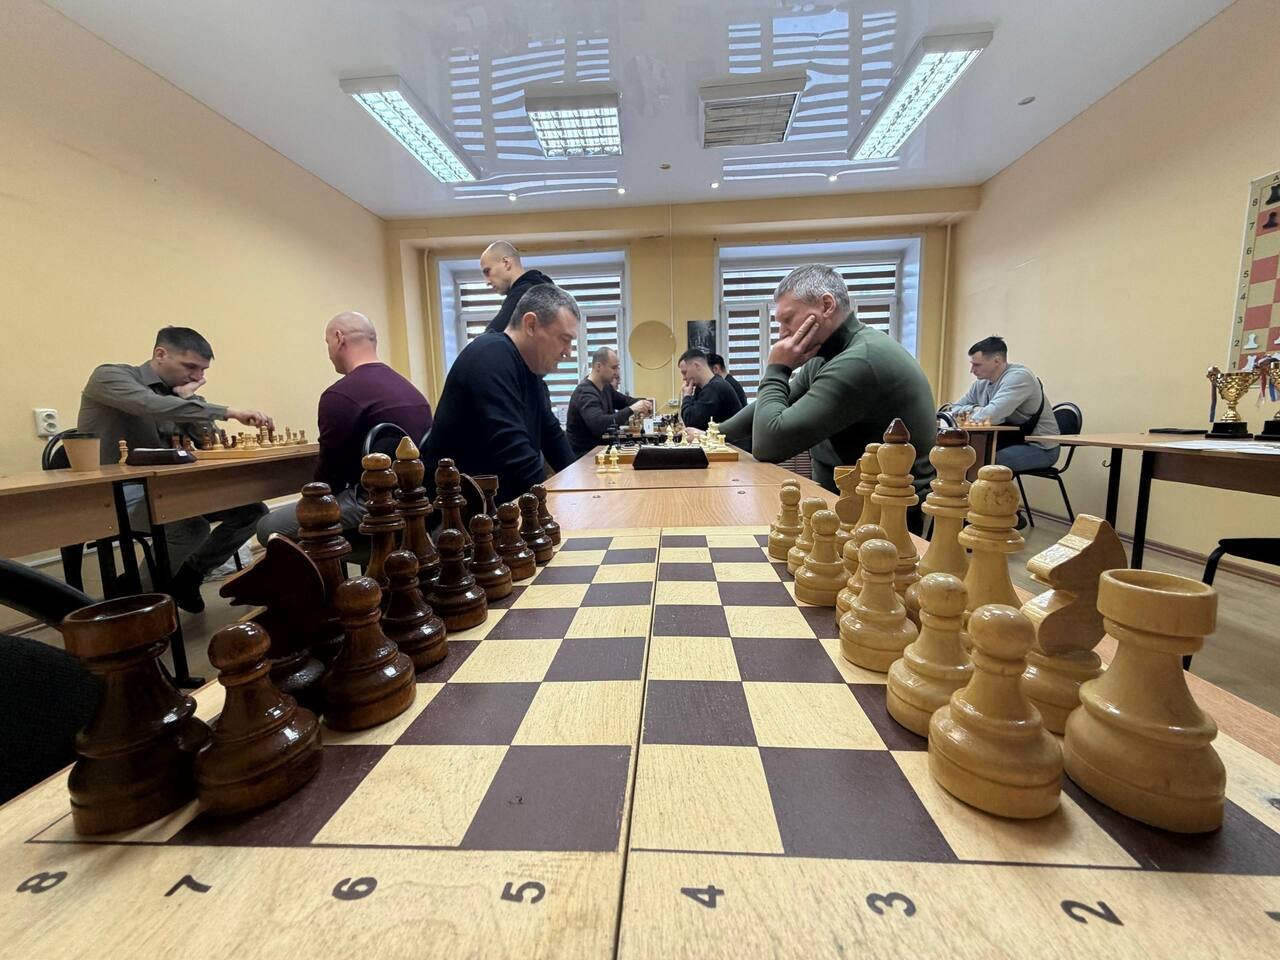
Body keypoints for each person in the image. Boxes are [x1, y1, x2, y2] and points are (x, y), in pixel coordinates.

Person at [714, 264, 937, 531]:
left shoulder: (861, 361)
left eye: (788, 319)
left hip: (891, 520)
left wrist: (777, 369)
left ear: (827, 305)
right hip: (846, 505)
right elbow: (773, 404)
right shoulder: (827, 356)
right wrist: (711, 435)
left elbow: (769, 444)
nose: (782, 333)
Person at [76, 327, 274, 612]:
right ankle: (139, 596)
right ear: (160, 354)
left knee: (252, 512)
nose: (197, 377)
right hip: (117, 493)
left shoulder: (178, 397)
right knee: (190, 527)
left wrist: (188, 400)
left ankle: (188, 575)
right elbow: (150, 405)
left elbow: (211, 441)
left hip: (171, 489)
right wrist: (227, 412)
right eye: (190, 367)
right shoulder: (110, 376)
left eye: (202, 370)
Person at [256, 312, 433, 545]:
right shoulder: (410, 390)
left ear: (339, 339)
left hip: (375, 502)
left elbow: (328, 480)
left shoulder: (340, 395)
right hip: (420, 500)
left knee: (267, 527)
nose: (329, 352)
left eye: (327, 342)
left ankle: (333, 567)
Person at [425, 284, 578, 504]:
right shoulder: (490, 356)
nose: (568, 352)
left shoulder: (529, 371)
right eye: (564, 339)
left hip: (497, 507)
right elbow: (514, 451)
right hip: (459, 514)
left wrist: (581, 489)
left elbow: (552, 435)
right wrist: (548, 507)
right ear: (531, 324)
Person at [950, 335, 1060, 473]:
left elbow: (989, 417)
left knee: (985, 463)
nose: (972, 370)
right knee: (959, 456)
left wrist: (978, 412)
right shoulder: (981, 383)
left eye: (977, 365)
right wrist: (977, 408)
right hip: (1008, 441)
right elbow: (954, 410)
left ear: (997, 361)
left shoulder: (1019, 377)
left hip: (1040, 447)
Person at [565, 346, 652, 457]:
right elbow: (600, 425)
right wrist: (632, 409)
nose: (617, 373)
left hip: (601, 451)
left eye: (617, 367)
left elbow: (625, 401)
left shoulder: (605, 388)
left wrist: (644, 403)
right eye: (614, 368)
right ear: (598, 366)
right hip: (585, 457)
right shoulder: (585, 393)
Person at [480, 241, 554, 334]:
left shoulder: (524, 294)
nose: (487, 282)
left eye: (487, 271)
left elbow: (489, 338)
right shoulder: (546, 292)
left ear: (506, 263)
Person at [678, 349, 743, 430]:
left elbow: (691, 422)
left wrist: (686, 396)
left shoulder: (715, 387)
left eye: (684, 372)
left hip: (731, 438)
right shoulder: (702, 388)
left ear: (696, 366)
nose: (684, 378)